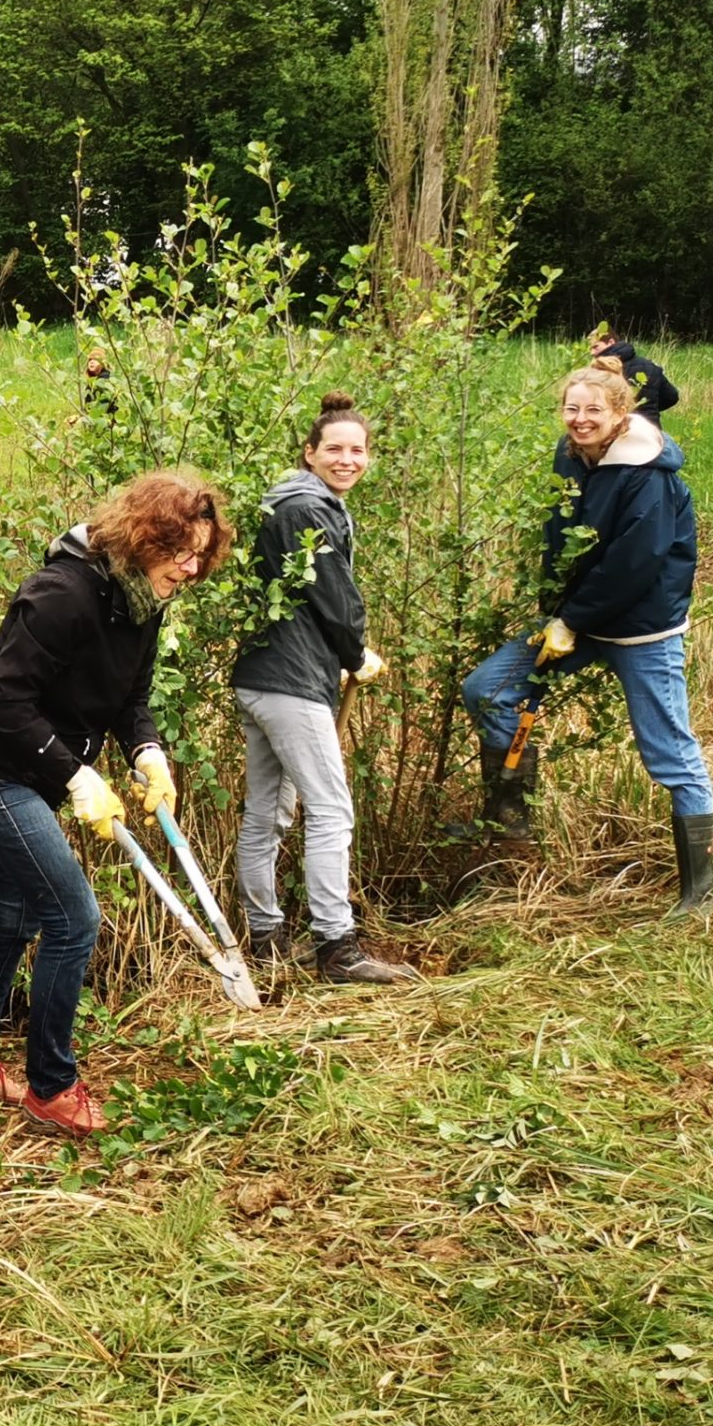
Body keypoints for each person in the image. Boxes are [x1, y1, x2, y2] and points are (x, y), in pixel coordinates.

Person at [0, 471, 233, 1139]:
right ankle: (51, 1086)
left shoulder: (144, 599)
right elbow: (5, 700)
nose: (189, 568)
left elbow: (132, 697)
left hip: (36, 768)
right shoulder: (61, 594)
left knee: (15, 918)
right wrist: (77, 777)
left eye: (200, 556)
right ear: (144, 535)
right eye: (181, 550)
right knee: (74, 918)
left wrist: (147, 753)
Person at [462, 366, 713, 915]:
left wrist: (570, 620)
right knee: (488, 689)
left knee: (669, 753)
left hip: (642, 630)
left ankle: (699, 894)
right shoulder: (573, 458)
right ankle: (512, 835)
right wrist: (556, 613)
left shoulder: (648, 474)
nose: (580, 420)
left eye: (594, 410)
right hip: (576, 621)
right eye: (572, 409)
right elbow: (562, 543)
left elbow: (635, 563)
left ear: (622, 414)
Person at [229, 395, 417, 985]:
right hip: (292, 682)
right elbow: (334, 597)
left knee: (266, 812)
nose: (347, 459)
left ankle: (265, 939)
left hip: (259, 678)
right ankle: (337, 946)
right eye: (334, 449)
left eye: (357, 450)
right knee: (331, 810)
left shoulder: (286, 502)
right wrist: (356, 655)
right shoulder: (308, 509)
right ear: (309, 454)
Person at [586, 322, 680, 420]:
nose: (592, 353)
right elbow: (671, 397)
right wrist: (649, 410)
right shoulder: (650, 366)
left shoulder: (600, 370)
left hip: (617, 428)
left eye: (595, 347)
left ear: (611, 342)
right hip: (652, 429)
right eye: (590, 349)